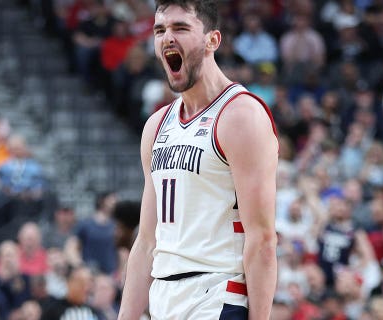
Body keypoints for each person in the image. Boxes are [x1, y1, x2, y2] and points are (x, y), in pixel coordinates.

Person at [119, 1, 278, 319]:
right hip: (163, 297)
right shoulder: (157, 126)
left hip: (216, 295)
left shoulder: (240, 115)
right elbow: (147, 240)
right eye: (160, 30)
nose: (167, 38)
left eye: (180, 28)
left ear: (212, 40)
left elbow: (262, 239)